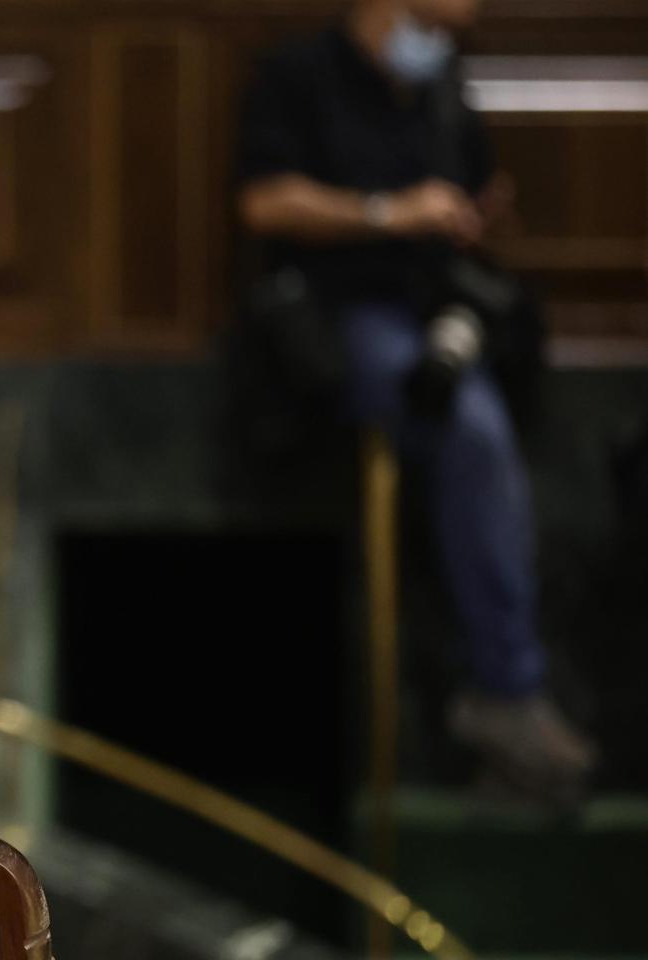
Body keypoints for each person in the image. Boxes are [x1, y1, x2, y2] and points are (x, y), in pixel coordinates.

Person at [235, 0, 596, 803]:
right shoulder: (302, 74)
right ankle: (506, 692)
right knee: (469, 429)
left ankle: (507, 690)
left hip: (437, 304)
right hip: (343, 313)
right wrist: (388, 212)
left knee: (491, 398)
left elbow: (464, 191)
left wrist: (465, 221)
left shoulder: (437, 83)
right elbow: (263, 202)